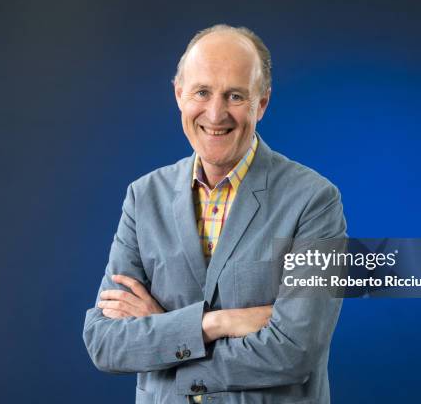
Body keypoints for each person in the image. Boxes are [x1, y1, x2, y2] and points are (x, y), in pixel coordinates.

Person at [83, 24, 347, 404]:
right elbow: (104, 342)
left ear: (262, 103)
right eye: (202, 92)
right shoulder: (143, 197)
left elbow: (294, 351)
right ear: (179, 94)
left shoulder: (315, 201)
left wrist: (163, 336)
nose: (216, 112)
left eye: (235, 95)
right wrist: (212, 324)